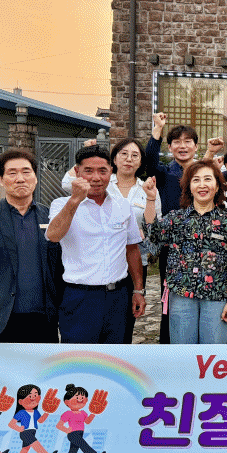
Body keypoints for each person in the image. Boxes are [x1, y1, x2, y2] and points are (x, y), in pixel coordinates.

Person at [46, 145, 146, 344]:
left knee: (115, 355)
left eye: (102, 171)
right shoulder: (61, 205)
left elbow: (132, 249)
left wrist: (138, 290)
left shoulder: (122, 205)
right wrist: (75, 200)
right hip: (80, 297)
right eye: (88, 171)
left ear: (111, 172)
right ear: (77, 172)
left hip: (117, 297)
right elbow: (54, 236)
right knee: (80, 356)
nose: (96, 178)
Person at [0, 149, 63, 343]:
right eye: (12, 173)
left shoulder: (51, 217)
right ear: (1, 180)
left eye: (26, 172)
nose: (20, 179)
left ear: (35, 177)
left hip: (43, 319)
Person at [144, 161, 227, 344]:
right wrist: (150, 199)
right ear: (189, 187)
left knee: (213, 355)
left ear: (217, 186)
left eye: (207, 179)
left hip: (217, 297)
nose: (202, 185)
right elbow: (153, 237)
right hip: (181, 296)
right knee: (183, 353)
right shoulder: (176, 218)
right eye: (196, 180)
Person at [146, 113, 198, 344]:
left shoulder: (204, 173)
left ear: (196, 146)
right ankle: (168, 346)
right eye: (177, 142)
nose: (182, 146)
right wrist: (158, 128)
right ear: (169, 147)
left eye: (188, 141)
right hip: (172, 247)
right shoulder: (165, 174)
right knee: (170, 300)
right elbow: (149, 162)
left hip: (203, 246)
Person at [7, 384, 58, 453]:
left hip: (32, 432)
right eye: (30, 396)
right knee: (35, 442)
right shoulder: (21, 412)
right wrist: (18, 429)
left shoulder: (36, 412)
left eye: (35, 396)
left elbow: (40, 420)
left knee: (25, 449)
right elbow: (11, 424)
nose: (33, 398)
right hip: (25, 432)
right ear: (20, 401)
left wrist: (47, 412)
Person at [56, 384, 105, 453]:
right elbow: (59, 425)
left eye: (82, 398)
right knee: (83, 444)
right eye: (77, 397)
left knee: (73, 450)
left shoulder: (83, 413)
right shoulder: (68, 413)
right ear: (67, 402)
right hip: (72, 434)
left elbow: (87, 421)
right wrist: (66, 430)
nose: (80, 400)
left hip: (80, 433)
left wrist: (93, 413)